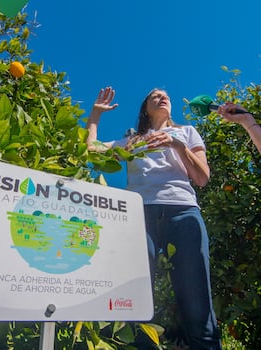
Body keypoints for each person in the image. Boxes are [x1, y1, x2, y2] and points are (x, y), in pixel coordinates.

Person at [86, 87, 222, 350]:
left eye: (165, 95)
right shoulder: (132, 140)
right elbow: (91, 150)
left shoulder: (187, 132)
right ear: (145, 109)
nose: (163, 97)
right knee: (134, 300)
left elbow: (202, 177)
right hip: (139, 214)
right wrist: (95, 115)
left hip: (183, 211)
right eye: (154, 96)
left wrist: (177, 145)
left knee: (197, 305)